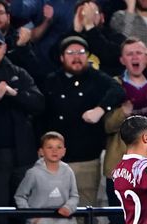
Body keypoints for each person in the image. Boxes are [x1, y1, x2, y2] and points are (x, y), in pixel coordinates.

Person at [40, 35, 125, 208]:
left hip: (86, 159)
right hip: (54, 159)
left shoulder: (96, 78)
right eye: (71, 52)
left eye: (81, 52)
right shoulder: (51, 80)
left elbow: (118, 91)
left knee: (84, 210)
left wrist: (100, 109)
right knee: (53, 209)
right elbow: (40, 115)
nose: (76, 57)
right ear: (62, 57)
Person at [0, 27, 44, 210]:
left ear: (4, 48)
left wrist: (13, 94)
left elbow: (39, 104)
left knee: (25, 211)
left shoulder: (19, 74)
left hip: (21, 156)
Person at [103, 36, 147, 224]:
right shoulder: (114, 85)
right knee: (119, 220)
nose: (135, 57)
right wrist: (123, 112)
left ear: (146, 56)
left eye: (139, 52)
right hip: (119, 163)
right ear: (122, 60)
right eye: (129, 54)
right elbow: (107, 125)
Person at [14, 131, 79, 224]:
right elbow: (20, 196)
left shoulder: (68, 171)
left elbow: (74, 196)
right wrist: (31, 217)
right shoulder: (33, 173)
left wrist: (68, 207)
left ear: (64, 151)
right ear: (41, 151)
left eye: (59, 147)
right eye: (50, 147)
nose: (54, 151)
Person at [0, 0, 47, 81]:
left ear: (8, 18)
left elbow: (38, 75)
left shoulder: (21, 40)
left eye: (0, 13)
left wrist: (22, 48)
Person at [64, 0, 126, 77]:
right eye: (83, 13)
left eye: (93, 13)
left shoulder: (116, 37)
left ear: (102, 17)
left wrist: (90, 27)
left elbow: (112, 56)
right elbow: (56, 57)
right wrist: (75, 31)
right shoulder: (71, 37)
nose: (88, 16)